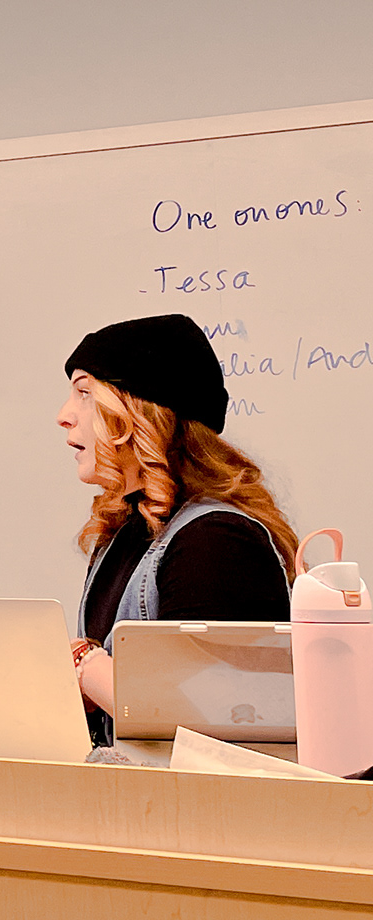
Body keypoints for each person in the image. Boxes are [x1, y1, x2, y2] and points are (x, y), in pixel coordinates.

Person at [54, 314, 297, 739]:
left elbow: (205, 728)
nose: (64, 415)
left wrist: (86, 666)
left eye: (85, 393)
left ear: (141, 412)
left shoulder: (216, 542)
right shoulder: (125, 531)